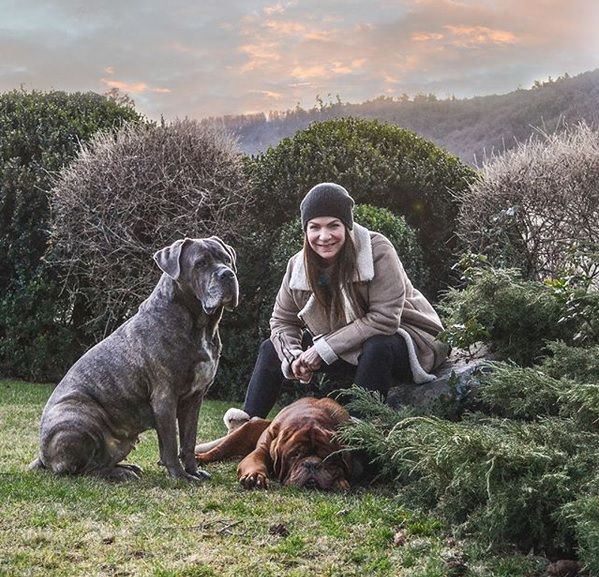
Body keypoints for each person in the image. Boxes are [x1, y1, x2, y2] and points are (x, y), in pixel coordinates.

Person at [235, 182, 449, 421]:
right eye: (314, 227)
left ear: (347, 226)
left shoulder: (378, 250)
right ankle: (244, 427)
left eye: (333, 226)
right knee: (270, 349)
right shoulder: (297, 265)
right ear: (305, 231)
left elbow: (386, 319)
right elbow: (282, 320)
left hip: (410, 342)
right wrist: (294, 355)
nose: (324, 236)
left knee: (378, 345)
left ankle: (356, 435)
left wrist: (323, 349)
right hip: (349, 347)